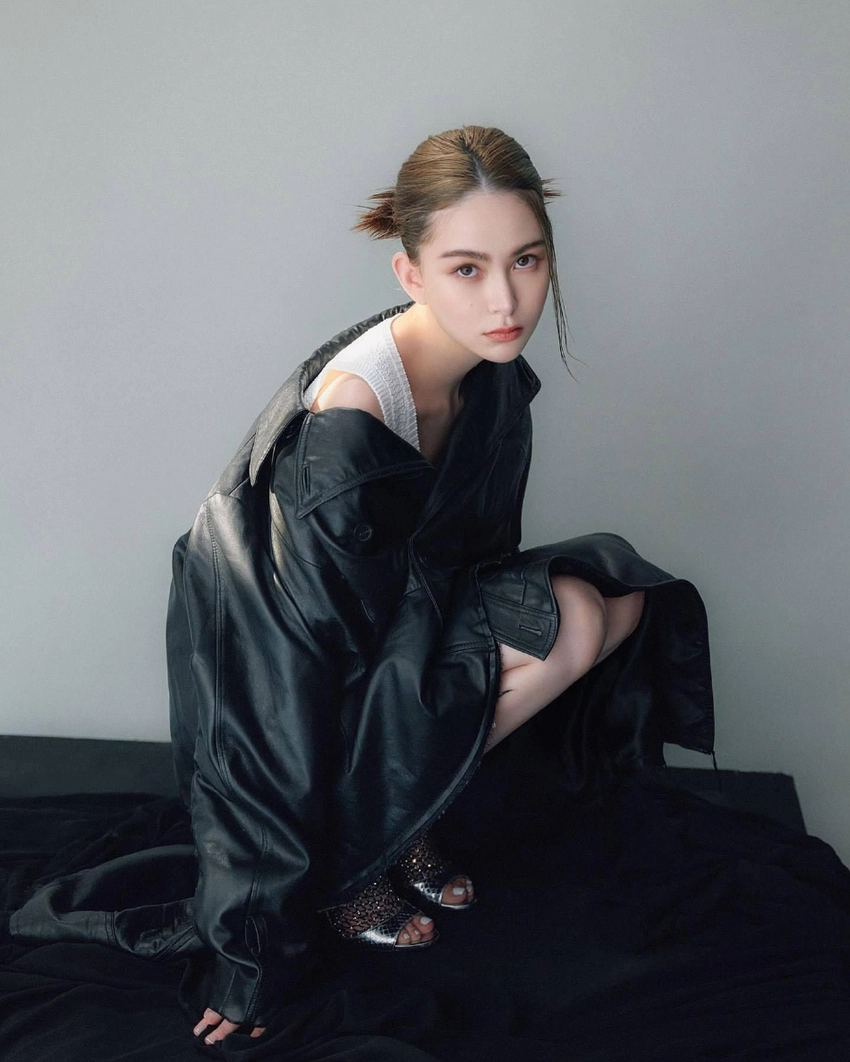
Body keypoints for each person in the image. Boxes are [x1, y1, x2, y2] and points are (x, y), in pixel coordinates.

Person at [161, 126, 714, 1044]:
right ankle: (355, 858)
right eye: (467, 269)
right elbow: (282, 679)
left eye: (526, 260)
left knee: (605, 603)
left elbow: (481, 560)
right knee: (568, 615)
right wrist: (251, 949)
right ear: (409, 273)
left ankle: (403, 812)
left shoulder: (486, 373)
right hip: (274, 666)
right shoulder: (348, 423)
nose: (506, 300)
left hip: (398, 628)